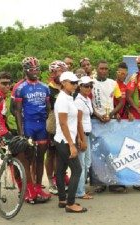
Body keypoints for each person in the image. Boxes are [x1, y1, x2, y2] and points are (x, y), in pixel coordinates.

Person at [0, 72, 43, 203]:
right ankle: (29, 192)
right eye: (4, 83)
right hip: (0, 134)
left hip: (4, 132)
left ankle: (24, 190)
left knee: (26, 152)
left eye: (9, 83)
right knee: (22, 157)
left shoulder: (1, 98)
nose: (7, 86)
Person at [14, 57, 52, 200]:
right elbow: (17, 111)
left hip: (42, 126)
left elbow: (48, 110)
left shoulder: (45, 87)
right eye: (31, 70)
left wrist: (50, 129)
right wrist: (21, 132)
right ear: (25, 71)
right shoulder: (20, 89)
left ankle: (38, 187)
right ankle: (28, 189)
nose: (34, 72)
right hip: (29, 126)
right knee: (28, 159)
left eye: (36, 69)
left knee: (40, 158)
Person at [54, 71, 87, 213]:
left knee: (61, 169)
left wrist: (76, 138)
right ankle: (71, 203)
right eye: (72, 82)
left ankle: (63, 199)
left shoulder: (68, 97)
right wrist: (71, 144)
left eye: (76, 83)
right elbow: (63, 123)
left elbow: (71, 122)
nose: (75, 85)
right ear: (63, 83)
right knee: (77, 170)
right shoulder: (62, 99)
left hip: (64, 139)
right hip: (64, 140)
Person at [91, 60, 125, 193]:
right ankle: (100, 182)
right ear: (97, 69)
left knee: (111, 152)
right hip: (95, 121)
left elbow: (120, 102)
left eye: (106, 69)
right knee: (97, 153)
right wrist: (98, 115)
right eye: (101, 69)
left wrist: (111, 114)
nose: (104, 71)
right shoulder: (91, 83)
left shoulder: (113, 83)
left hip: (109, 121)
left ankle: (113, 183)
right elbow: (87, 102)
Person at [46, 60, 68, 195]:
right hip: (52, 124)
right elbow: (46, 109)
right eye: (57, 72)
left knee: (61, 154)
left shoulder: (66, 87)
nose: (60, 74)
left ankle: (59, 178)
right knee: (51, 153)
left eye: (62, 71)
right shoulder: (48, 89)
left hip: (64, 124)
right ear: (52, 73)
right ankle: (50, 182)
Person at [74, 76, 94, 199]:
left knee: (87, 163)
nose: (88, 88)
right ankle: (79, 191)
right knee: (81, 164)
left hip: (87, 133)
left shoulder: (87, 100)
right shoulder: (78, 101)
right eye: (86, 86)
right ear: (80, 87)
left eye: (90, 86)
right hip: (82, 135)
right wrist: (81, 139)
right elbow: (78, 121)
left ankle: (81, 189)